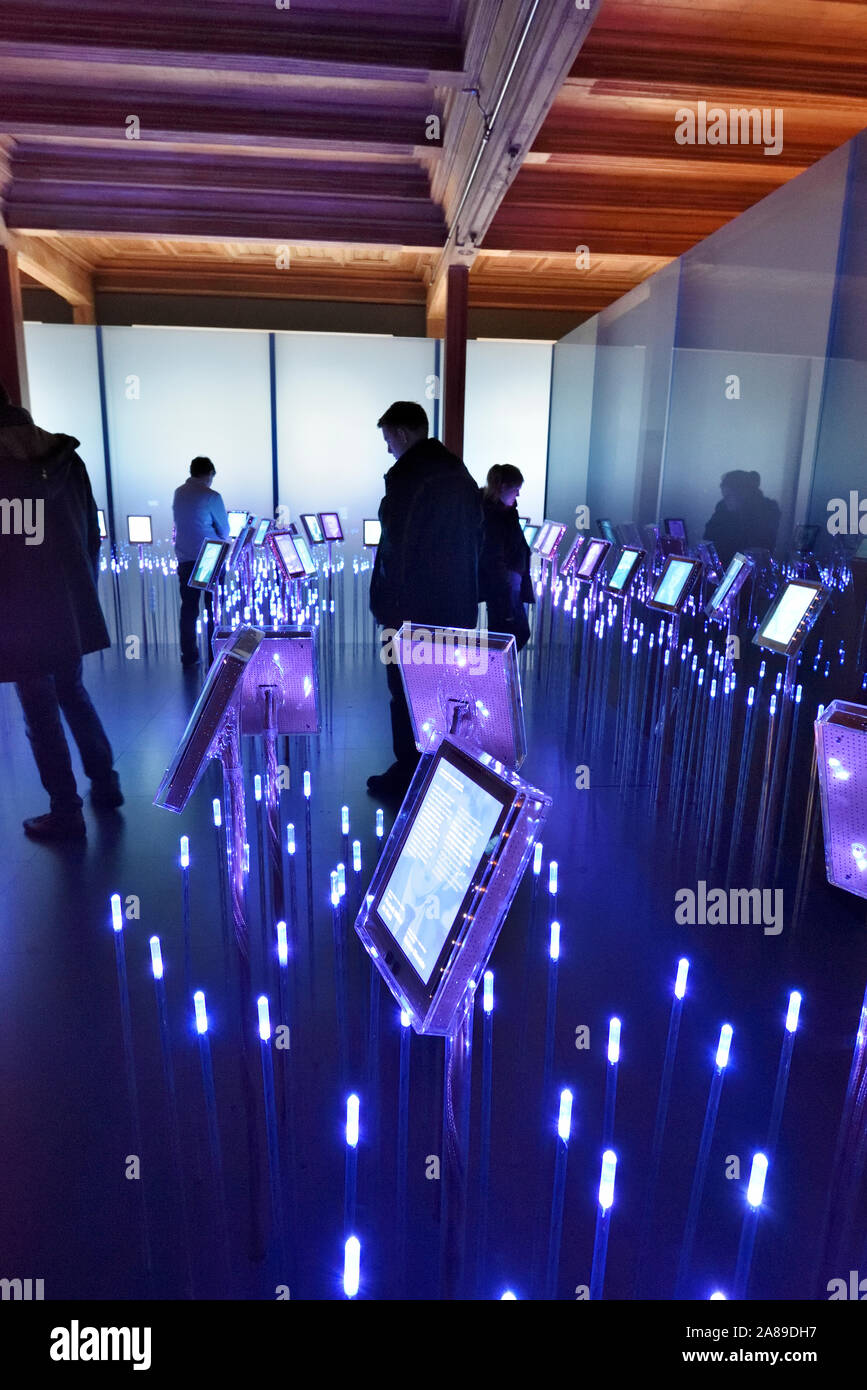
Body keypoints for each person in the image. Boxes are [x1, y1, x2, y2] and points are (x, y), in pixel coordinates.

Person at [0, 380, 122, 841]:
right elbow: (92, 534)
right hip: (68, 607)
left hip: (19, 614)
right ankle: (106, 784)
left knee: (39, 709)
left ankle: (66, 810)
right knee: (72, 693)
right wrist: (81, 592)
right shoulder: (66, 459)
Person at [368, 401, 483, 799]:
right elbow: (476, 540)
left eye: (388, 439)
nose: (387, 449)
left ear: (402, 433)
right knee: (446, 688)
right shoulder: (459, 473)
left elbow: (396, 548)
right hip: (455, 607)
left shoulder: (409, 477)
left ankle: (409, 772)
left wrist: (388, 605)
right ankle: (442, 768)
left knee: (403, 689)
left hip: (410, 609)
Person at [172, 456, 230, 668]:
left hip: (185, 557)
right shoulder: (212, 496)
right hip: (209, 557)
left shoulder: (179, 492)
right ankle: (214, 653)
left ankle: (189, 654)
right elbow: (224, 530)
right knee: (212, 607)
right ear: (209, 473)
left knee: (188, 607)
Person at [479, 464, 534, 651]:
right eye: (515, 489)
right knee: (510, 635)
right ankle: (495, 675)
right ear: (502, 487)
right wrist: (505, 582)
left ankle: (496, 675)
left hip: (507, 584)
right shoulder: (494, 516)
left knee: (505, 635)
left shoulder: (504, 512)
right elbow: (492, 555)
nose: (517, 495)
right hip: (504, 586)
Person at [703, 470, 781, 567]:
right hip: (724, 567)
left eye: (728, 496)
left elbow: (758, 550)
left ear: (743, 494)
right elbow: (708, 539)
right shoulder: (723, 508)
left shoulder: (767, 510)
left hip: (754, 570)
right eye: (724, 496)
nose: (725, 500)